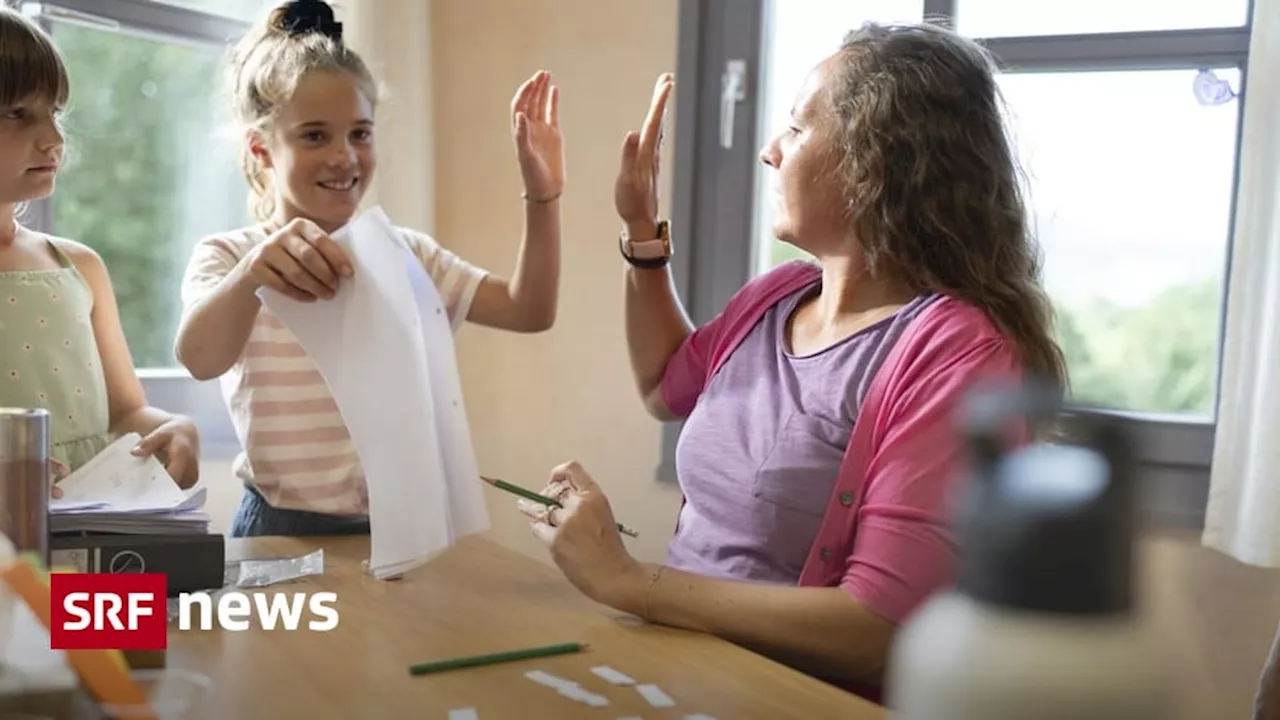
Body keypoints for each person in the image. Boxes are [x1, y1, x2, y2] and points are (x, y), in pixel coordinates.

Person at [514, 22, 1067, 701]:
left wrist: (626, 580)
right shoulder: (779, 295)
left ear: (878, 160)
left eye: (799, 131)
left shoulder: (960, 356)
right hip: (678, 679)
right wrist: (641, 230)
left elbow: (876, 632)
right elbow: (664, 386)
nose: (771, 152)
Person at [174, 0, 563, 537]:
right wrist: (253, 274)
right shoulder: (228, 255)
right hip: (277, 530)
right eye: (315, 135)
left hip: (397, 530)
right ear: (261, 149)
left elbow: (530, 310)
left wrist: (541, 199)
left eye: (360, 133)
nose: (345, 157)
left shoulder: (409, 255)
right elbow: (199, 358)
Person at [0, 7, 201, 495]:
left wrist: (177, 429)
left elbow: (127, 412)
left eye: (54, 112)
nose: (53, 138)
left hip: (88, 548)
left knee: (172, 578)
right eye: (17, 113)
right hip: (9, 563)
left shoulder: (80, 267)